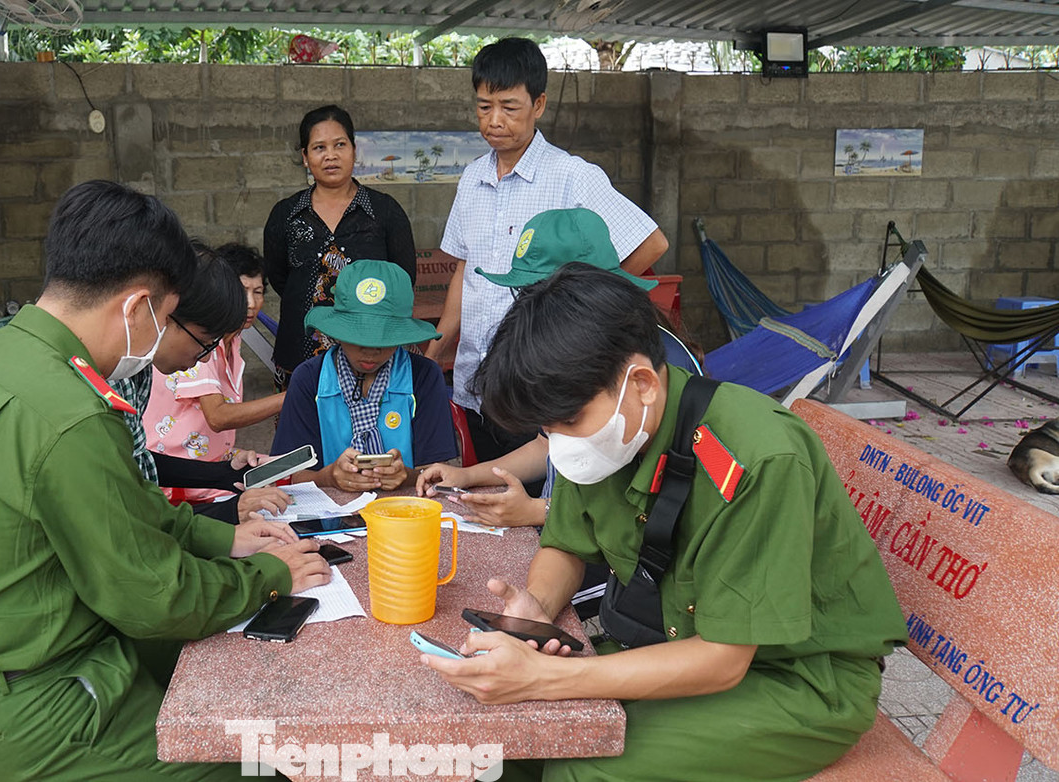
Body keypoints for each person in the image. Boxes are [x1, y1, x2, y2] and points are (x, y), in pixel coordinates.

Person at [0, 180, 330, 782]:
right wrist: (269, 575)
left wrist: (224, 540)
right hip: (45, 708)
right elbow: (155, 599)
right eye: (164, 315)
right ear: (135, 308)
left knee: (226, 670)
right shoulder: (71, 412)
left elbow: (121, 509)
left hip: (25, 658)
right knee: (268, 767)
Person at [422, 263, 907, 781]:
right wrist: (536, 609)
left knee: (580, 767)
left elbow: (723, 660)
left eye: (567, 421)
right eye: (546, 427)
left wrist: (545, 677)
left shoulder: (756, 459)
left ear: (644, 384)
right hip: (674, 644)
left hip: (796, 682)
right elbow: (566, 545)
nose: (558, 442)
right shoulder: (615, 431)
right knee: (500, 748)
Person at [424, 37, 669, 470]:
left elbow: (651, 242)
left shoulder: (572, 176)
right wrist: (440, 346)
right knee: (488, 504)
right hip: (474, 383)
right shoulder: (472, 179)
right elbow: (467, 268)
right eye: (484, 107)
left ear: (538, 104)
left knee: (542, 506)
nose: (494, 120)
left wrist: (580, 300)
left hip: (541, 378)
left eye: (509, 107)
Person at [114, 246, 289, 524]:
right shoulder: (113, 378)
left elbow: (139, 461)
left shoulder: (139, 372)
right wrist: (228, 512)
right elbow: (129, 514)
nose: (205, 357)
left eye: (258, 292)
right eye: (203, 343)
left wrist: (225, 472)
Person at [264, 104, 416, 389]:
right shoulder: (285, 214)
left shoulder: (384, 211)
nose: (330, 155)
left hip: (371, 354)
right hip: (300, 354)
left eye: (339, 145)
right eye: (319, 147)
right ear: (305, 157)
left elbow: (404, 280)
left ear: (354, 150)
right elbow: (280, 279)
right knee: (304, 432)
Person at [271, 260, 456, 492]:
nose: (371, 351)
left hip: (407, 517)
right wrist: (328, 477)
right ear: (337, 333)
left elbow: (437, 471)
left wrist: (407, 476)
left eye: (383, 340)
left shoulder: (423, 376)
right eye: (359, 338)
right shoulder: (309, 379)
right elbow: (287, 476)